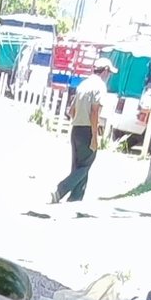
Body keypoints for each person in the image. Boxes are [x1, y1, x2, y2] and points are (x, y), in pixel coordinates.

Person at [54, 58, 114, 204]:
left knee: (78, 166)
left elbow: (71, 111)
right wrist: (94, 136)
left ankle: (75, 198)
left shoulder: (83, 84)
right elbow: (94, 112)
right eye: (109, 73)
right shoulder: (100, 87)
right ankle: (60, 190)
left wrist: (79, 119)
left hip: (76, 129)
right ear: (105, 71)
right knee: (86, 165)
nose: (109, 76)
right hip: (87, 129)